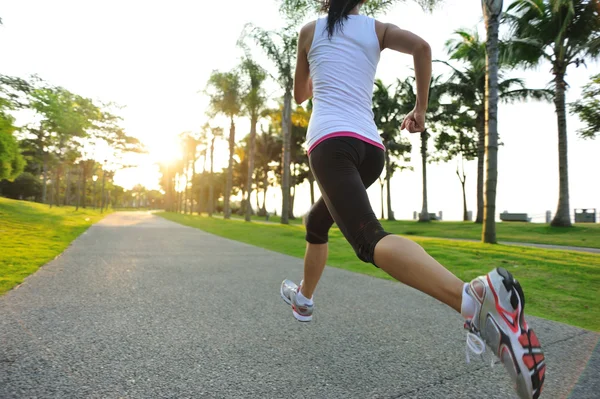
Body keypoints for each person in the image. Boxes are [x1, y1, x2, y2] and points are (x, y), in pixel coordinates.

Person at [279, 1, 545, 398]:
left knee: (369, 238)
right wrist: (419, 108)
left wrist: (319, 68)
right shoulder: (376, 28)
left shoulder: (309, 31)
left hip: (330, 144)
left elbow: (301, 95)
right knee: (317, 223)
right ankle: (304, 300)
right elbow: (422, 47)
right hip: (370, 150)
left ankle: (473, 300)